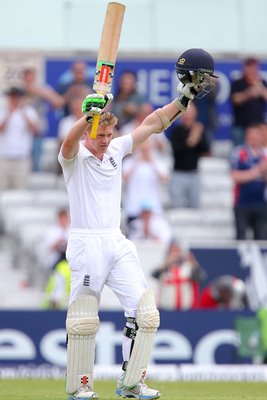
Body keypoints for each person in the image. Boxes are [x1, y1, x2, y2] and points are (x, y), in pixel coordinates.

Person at [58, 48, 217, 400]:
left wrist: (183, 99)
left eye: (107, 136)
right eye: (98, 135)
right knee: (84, 319)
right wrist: (88, 115)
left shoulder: (115, 150)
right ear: (88, 134)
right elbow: (68, 142)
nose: (103, 141)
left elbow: (152, 123)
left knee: (146, 314)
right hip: (87, 243)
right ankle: (79, 386)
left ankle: (131, 383)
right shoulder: (76, 157)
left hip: (116, 241)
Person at [166, 101, 210, 208]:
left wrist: (196, 137)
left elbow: (206, 150)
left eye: (191, 112)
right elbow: (177, 151)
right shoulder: (176, 131)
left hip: (194, 173)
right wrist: (191, 140)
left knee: (195, 206)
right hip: (178, 173)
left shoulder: (198, 129)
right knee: (175, 206)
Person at [21, 67, 65, 171]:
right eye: (27, 79)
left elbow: (59, 102)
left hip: (37, 129)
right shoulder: (18, 91)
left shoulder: (42, 88)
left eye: (31, 78)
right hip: (21, 130)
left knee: (36, 159)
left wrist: (39, 92)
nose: (29, 81)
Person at [122, 139, 169, 230]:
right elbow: (125, 179)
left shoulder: (158, 163)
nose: (144, 152)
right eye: (142, 149)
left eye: (146, 149)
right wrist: (136, 162)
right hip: (133, 207)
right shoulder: (129, 163)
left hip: (153, 208)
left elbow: (165, 179)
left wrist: (152, 162)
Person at [230, 123, 267, 240]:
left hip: (261, 203)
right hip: (242, 203)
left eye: (256, 136)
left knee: (261, 238)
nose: (254, 139)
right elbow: (235, 176)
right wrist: (257, 171)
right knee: (241, 237)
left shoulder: (264, 155)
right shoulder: (239, 153)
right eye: (251, 136)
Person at [0, 86, 40, 189]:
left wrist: (23, 112)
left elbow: (35, 130)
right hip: (4, 156)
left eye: (16, 97)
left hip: (22, 157)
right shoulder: (2, 111)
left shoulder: (29, 111)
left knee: (20, 191)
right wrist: (9, 113)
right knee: (2, 190)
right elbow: (1, 129)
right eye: (12, 97)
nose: (14, 99)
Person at [151, 240, 206, 310]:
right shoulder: (164, 267)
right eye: (172, 250)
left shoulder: (188, 266)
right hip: (166, 310)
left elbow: (201, 277)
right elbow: (153, 275)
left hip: (185, 310)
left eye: (177, 250)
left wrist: (193, 262)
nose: (175, 254)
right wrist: (165, 264)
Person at [230, 57, 267, 147]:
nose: (251, 70)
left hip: (258, 125)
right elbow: (235, 99)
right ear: (244, 68)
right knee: (239, 151)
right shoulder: (238, 83)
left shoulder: (261, 82)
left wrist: (259, 88)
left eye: (253, 67)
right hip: (241, 125)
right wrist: (249, 93)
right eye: (248, 67)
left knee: (259, 152)